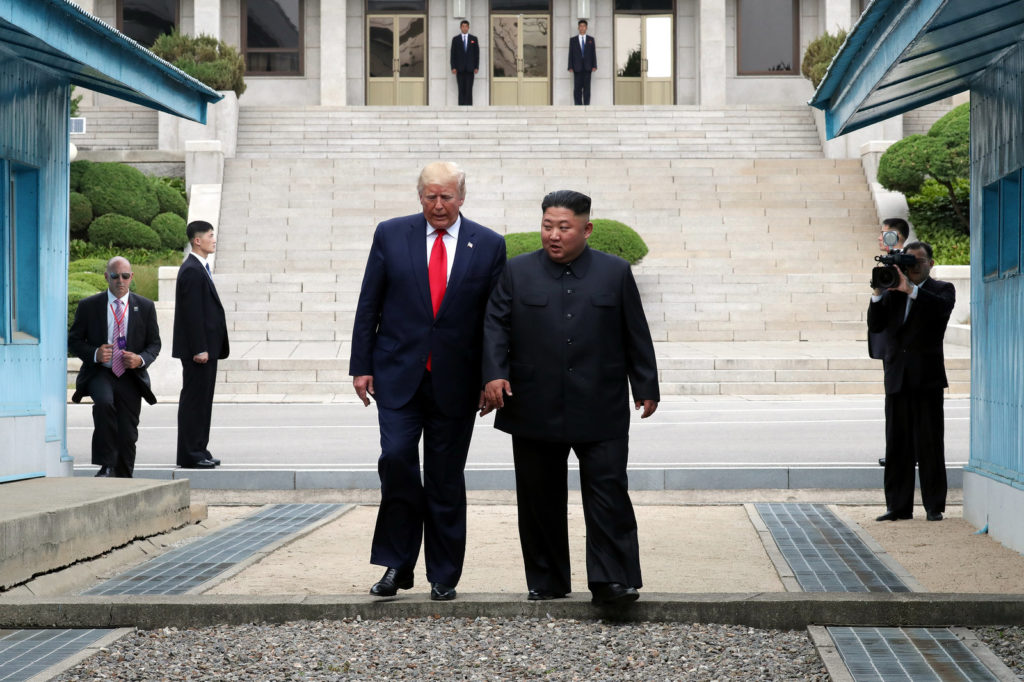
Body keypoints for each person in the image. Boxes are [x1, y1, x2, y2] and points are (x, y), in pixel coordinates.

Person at [481, 190, 659, 606]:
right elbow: (495, 326)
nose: (553, 235)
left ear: (587, 229)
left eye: (564, 227)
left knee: (608, 492)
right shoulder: (516, 271)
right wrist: (493, 374)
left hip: (601, 401)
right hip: (532, 403)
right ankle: (547, 580)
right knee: (538, 497)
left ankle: (612, 580)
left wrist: (646, 385)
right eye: (547, 226)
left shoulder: (614, 272)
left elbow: (636, 331)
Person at [350, 162, 506, 601]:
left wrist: (493, 374)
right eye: (430, 196)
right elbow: (369, 303)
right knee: (397, 461)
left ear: (462, 196)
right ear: (419, 196)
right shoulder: (391, 233)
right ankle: (397, 565)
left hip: (457, 381)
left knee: (445, 478)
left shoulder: (489, 244)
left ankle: (444, 574)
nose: (438, 205)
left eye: (447, 196)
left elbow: (496, 319)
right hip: (397, 375)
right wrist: (361, 365)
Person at [868, 241, 954, 522]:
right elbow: (876, 326)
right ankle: (897, 506)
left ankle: (934, 506)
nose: (913, 267)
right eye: (909, 262)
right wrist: (878, 293)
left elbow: (939, 313)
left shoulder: (942, 291)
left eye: (918, 261)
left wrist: (911, 290)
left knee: (930, 442)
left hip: (926, 378)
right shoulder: (893, 291)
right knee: (896, 444)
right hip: (896, 377)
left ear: (930, 263)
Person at [69, 257, 161, 478]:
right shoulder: (89, 306)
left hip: (130, 376)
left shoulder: (145, 307)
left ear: (131, 277)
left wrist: (139, 360)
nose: (120, 281)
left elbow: (155, 344)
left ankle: (124, 475)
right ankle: (106, 464)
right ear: (106, 277)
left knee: (128, 431)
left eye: (125, 276)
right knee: (104, 404)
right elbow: (73, 340)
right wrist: (95, 353)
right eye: (115, 276)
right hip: (101, 372)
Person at [173, 220, 229, 470]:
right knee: (194, 401)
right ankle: (190, 453)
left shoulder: (200, 268)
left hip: (208, 349)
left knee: (203, 400)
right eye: (210, 235)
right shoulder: (192, 270)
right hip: (200, 351)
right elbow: (192, 313)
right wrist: (199, 348)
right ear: (197, 240)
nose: (213, 239)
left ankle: (199, 448)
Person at [869, 217, 909, 467]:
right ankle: (896, 451)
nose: (880, 238)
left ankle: (905, 452)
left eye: (885, 234)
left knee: (904, 405)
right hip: (891, 347)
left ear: (897, 236)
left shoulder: (908, 262)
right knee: (893, 405)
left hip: (906, 347)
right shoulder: (887, 264)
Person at [450, 20, 480, 106]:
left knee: (469, 89)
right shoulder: (455, 39)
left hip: (470, 69)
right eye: (463, 26)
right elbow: (453, 54)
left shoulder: (474, 39)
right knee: (461, 88)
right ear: (460, 27)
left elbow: (476, 54)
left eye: (466, 26)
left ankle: (469, 108)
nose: (464, 28)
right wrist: (453, 67)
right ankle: (461, 107)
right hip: (459, 68)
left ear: (468, 27)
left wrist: (476, 67)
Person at [568, 19, 597, 105]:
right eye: (580, 26)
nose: (582, 28)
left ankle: (586, 106)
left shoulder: (591, 39)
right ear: (578, 27)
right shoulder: (573, 40)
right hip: (577, 67)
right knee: (577, 88)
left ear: (586, 28)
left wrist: (594, 65)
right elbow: (571, 54)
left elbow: (593, 53)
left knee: (587, 88)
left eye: (584, 26)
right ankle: (578, 106)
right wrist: (570, 66)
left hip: (588, 67)